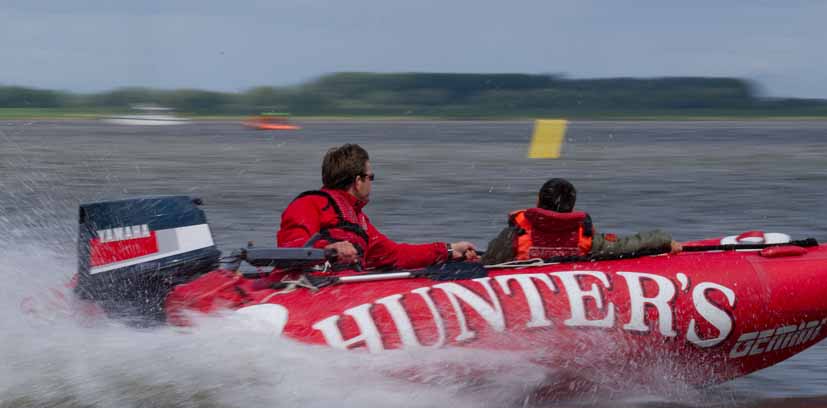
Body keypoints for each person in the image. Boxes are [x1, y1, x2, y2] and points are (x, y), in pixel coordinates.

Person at [277, 144, 477, 269]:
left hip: (339, 287)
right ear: (358, 180)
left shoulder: (359, 221)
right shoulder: (308, 204)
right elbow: (291, 247)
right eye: (371, 177)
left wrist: (449, 250)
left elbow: (394, 255)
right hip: (303, 288)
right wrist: (330, 248)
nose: (372, 182)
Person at [481, 178, 682, 264]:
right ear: (572, 206)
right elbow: (630, 245)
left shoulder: (513, 237)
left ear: (538, 201)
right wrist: (663, 239)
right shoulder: (586, 239)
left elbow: (487, 264)